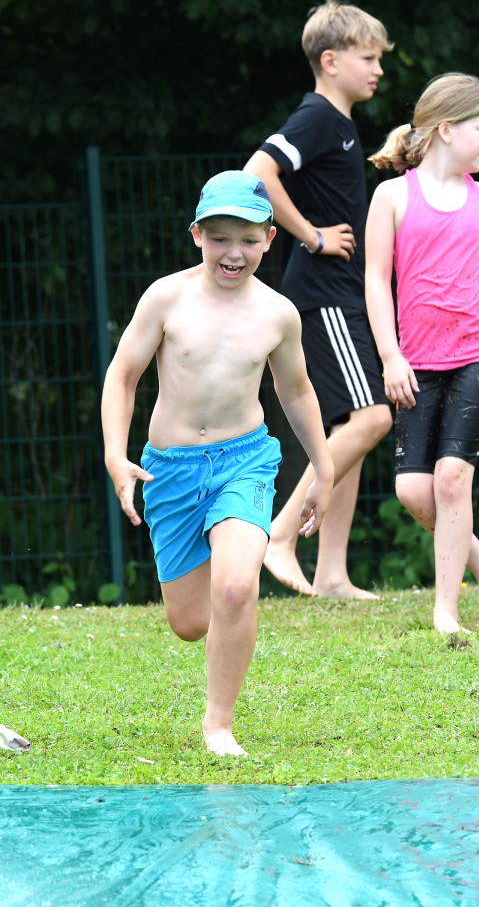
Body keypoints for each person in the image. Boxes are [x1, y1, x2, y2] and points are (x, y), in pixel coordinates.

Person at [101, 172, 334, 755]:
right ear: (197, 235)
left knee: (234, 587)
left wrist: (324, 468)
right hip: (170, 470)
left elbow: (298, 390)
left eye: (249, 239)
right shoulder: (165, 298)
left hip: (245, 461)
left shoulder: (279, 314)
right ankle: (220, 610)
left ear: (270, 238)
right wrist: (115, 454)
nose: (235, 252)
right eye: (221, 237)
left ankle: (219, 724)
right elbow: (122, 376)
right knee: (189, 622)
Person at [365, 73, 479, 633]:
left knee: (450, 479)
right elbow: (374, 281)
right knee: (413, 490)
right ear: (445, 129)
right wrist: (392, 357)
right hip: (415, 359)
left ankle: (446, 612)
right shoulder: (392, 196)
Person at [244, 0, 394, 599]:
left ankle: (331, 574)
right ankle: (280, 535)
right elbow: (258, 175)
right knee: (374, 417)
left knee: (343, 428)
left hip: (341, 296)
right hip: (325, 298)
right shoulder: (317, 117)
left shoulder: (341, 125)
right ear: (330, 61)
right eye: (369, 57)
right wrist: (310, 235)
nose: (379, 68)